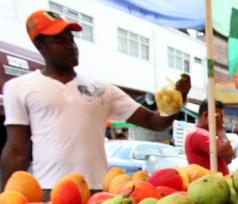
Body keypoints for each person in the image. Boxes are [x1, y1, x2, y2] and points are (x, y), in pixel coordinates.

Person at [1, 10, 191, 191]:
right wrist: (5, 195)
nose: (71, 46)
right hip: (48, 190)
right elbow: (16, 151)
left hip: (96, 190)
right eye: (60, 41)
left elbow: (154, 122)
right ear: (40, 46)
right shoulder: (18, 88)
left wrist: (177, 100)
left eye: (71, 39)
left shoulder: (102, 89)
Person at [184, 100, 234, 175]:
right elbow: (224, 152)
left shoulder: (203, 133)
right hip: (208, 183)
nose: (222, 122)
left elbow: (229, 158)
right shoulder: (198, 133)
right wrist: (221, 131)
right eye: (219, 117)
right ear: (206, 115)